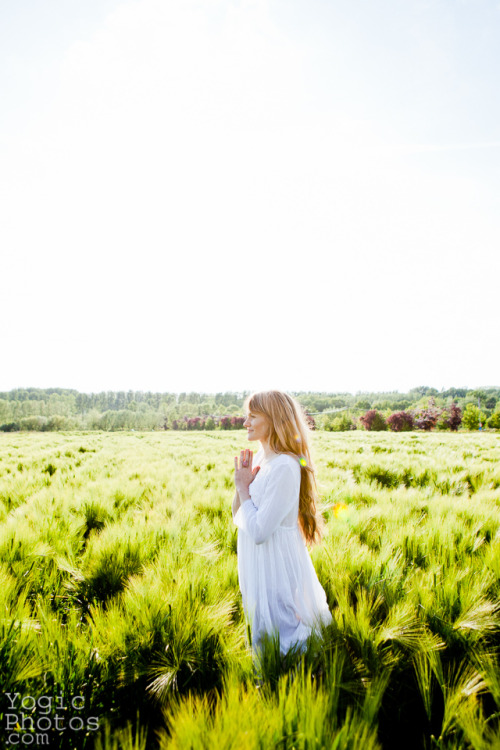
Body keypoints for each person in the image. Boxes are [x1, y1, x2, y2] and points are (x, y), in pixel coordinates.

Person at [232, 390, 332, 659]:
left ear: (273, 418)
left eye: (253, 416)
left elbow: (261, 532)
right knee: (265, 630)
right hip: (258, 560)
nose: (246, 422)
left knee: (285, 633)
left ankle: (304, 682)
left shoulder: (286, 466)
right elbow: (237, 516)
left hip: (274, 562)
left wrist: (243, 489)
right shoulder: (262, 460)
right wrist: (241, 485)